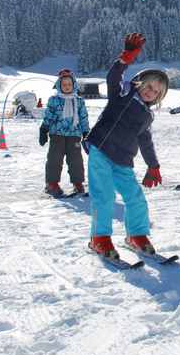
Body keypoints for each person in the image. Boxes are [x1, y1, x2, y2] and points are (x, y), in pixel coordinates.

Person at [84, 33, 168, 260]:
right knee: (105, 196)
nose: (151, 91)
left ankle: (136, 235)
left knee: (135, 197)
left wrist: (153, 166)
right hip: (101, 150)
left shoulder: (147, 115)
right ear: (140, 82)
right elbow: (113, 77)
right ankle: (99, 238)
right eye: (149, 86)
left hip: (123, 161)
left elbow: (145, 141)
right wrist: (126, 58)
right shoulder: (123, 93)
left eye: (156, 91)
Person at [39, 69, 90, 197]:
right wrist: (44, 129)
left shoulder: (79, 101)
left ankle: (78, 183)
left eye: (69, 84)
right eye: (64, 85)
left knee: (76, 160)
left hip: (74, 135)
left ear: (74, 85)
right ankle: (52, 184)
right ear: (59, 86)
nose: (67, 87)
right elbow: (49, 115)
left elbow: (83, 117)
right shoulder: (54, 100)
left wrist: (86, 132)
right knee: (54, 159)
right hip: (57, 135)